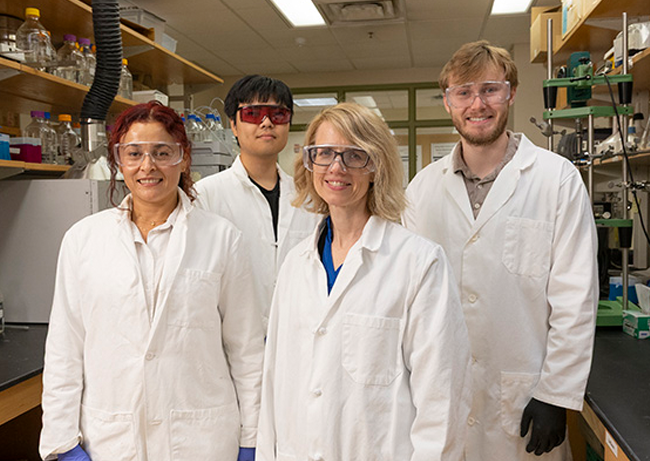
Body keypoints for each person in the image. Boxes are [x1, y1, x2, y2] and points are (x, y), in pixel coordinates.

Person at [403, 40, 598, 460]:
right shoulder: (421, 190)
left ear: (510, 92)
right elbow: (408, 299)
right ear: (448, 102)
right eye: (464, 92)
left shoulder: (556, 180)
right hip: (441, 398)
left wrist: (557, 394)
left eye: (490, 89)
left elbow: (575, 298)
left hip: (525, 398)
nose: (478, 104)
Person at [40, 101, 265, 461]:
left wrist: (252, 440)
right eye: (134, 153)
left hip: (201, 440)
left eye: (162, 152)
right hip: (110, 441)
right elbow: (65, 350)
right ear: (118, 160)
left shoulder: (222, 239)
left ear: (184, 157)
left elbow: (247, 349)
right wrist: (63, 442)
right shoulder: (83, 240)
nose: (148, 166)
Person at [257, 102, 471, 460]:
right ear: (309, 163)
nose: (336, 168)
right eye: (324, 154)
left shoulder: (419, 263)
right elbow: (274, 383)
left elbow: (442, 401)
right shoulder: (295, 264)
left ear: (376, 167)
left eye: (354, 155)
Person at [195, 75, 320, 329]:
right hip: (230, 343)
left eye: (279, 115)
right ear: (233, 124)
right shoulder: (205, 196)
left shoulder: (310, 198)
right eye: (252, 113)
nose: (266, 123)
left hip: (298, 336)